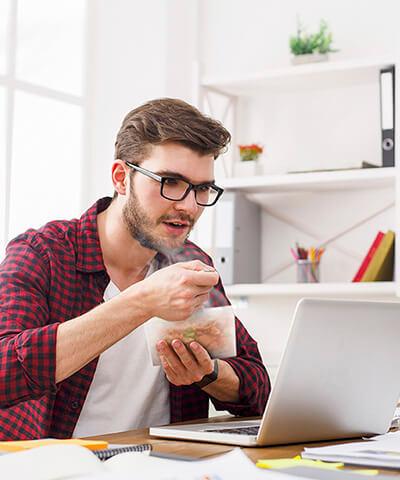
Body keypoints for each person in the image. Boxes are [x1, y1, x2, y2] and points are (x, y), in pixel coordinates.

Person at [0, 98, 270, 440]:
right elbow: (5, 369)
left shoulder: (189, 262)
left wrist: (210, 373)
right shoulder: (45, 253)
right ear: (121, 178)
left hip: (162, 465)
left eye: (202, 189)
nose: (188, 206)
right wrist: (142, 301)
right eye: (170, 182)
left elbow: (259, 387)